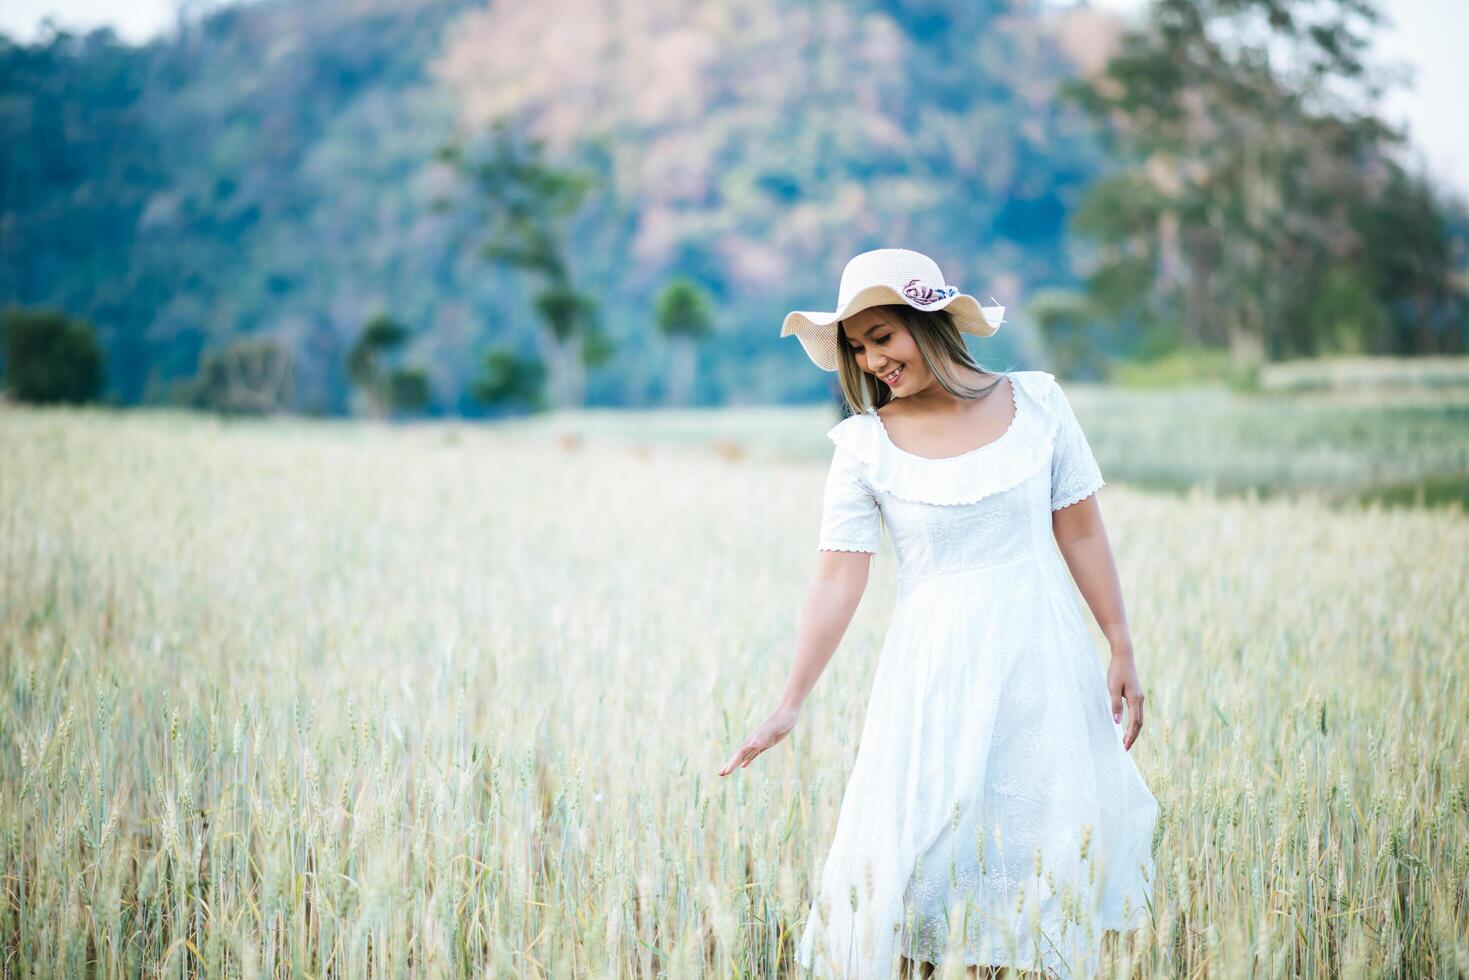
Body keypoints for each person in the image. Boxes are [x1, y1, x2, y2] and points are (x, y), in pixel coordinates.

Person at [717, 249, 1159, 979]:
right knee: (920, 864)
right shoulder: (863, 446)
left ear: (928, 321)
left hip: (1042, 661)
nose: (872, 359)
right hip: (931, 677)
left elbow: (1077, 527)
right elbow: (836, 579)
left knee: (1044, 853)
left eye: (882, 335)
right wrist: (789, 702)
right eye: (857, 347)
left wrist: (1120, 644)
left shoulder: (1038, 402)